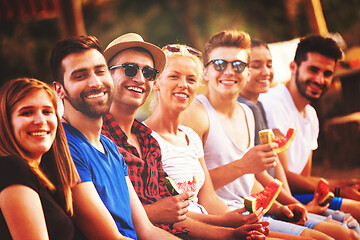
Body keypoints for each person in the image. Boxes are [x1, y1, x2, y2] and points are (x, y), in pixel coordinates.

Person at [181, 29, 359, 239]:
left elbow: (248, 183)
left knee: (346, 234)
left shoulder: (247, 113)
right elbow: (193, 188)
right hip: (225, 218)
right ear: (205, 72)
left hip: (256, 209)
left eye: (238, 65)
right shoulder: (194, 115)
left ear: (247, 72)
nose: (229, 71)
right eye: (220, 64)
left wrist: (280, 206)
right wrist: (243, 166)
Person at [102, 33, 272, 240]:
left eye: (147, 72)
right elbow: (138, 219)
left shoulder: (148, 141)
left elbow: (174, 215)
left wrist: (229, 224)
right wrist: (227, 231)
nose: (139, 78)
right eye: (129, 69)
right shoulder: (101, 139)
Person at [51, 35, 181, 240]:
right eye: (80, 76)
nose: (95, 82)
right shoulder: (65, 146)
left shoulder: (109, 147)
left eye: (99, 71)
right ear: (59, 90)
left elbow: (146, 230)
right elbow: (111, 237)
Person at [239, 38, 360, 235]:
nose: (320, 80)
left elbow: (303, 176)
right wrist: (336, 189)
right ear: (293, 67)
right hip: (279, 200)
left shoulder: (311, 115)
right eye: (313, 70)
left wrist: (335, 186)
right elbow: (283, 176)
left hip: (291, 197)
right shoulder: (270, 105)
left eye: (327, 74)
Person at [0, 77, 79, 240]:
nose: (40, 121)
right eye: (27, 113)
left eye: (47, 111)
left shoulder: (46, 177)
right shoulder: (11, 167)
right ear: (7, 122)